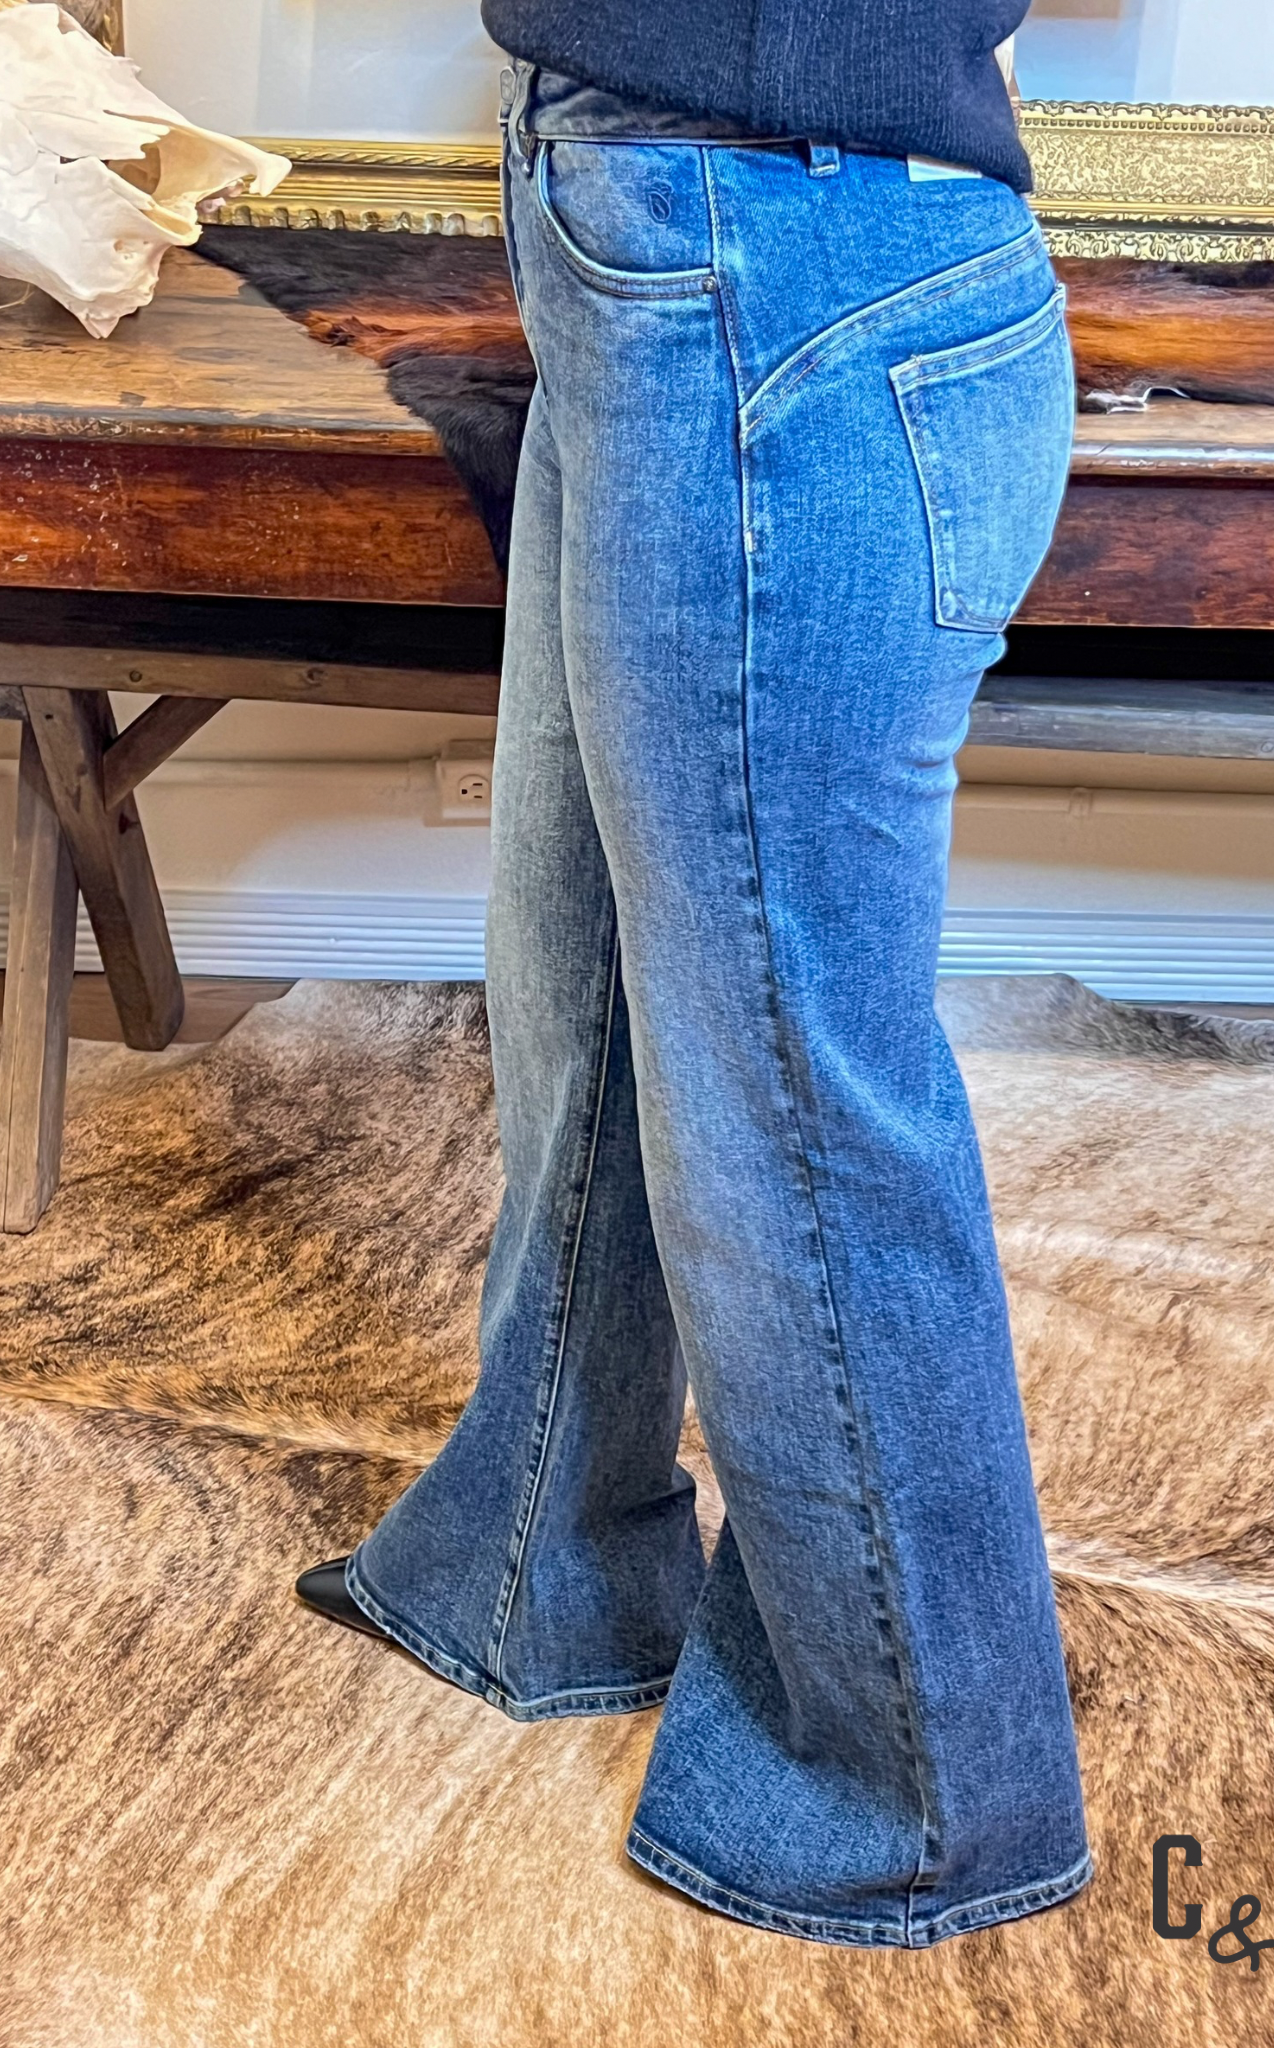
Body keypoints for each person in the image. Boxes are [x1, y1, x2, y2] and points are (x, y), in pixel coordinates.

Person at [299, 0, 1091, 1948]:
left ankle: (919, 1777)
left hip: (771, 244)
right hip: (670, 202)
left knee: (785, 1083)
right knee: (584, 965)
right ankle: (540, 1558)